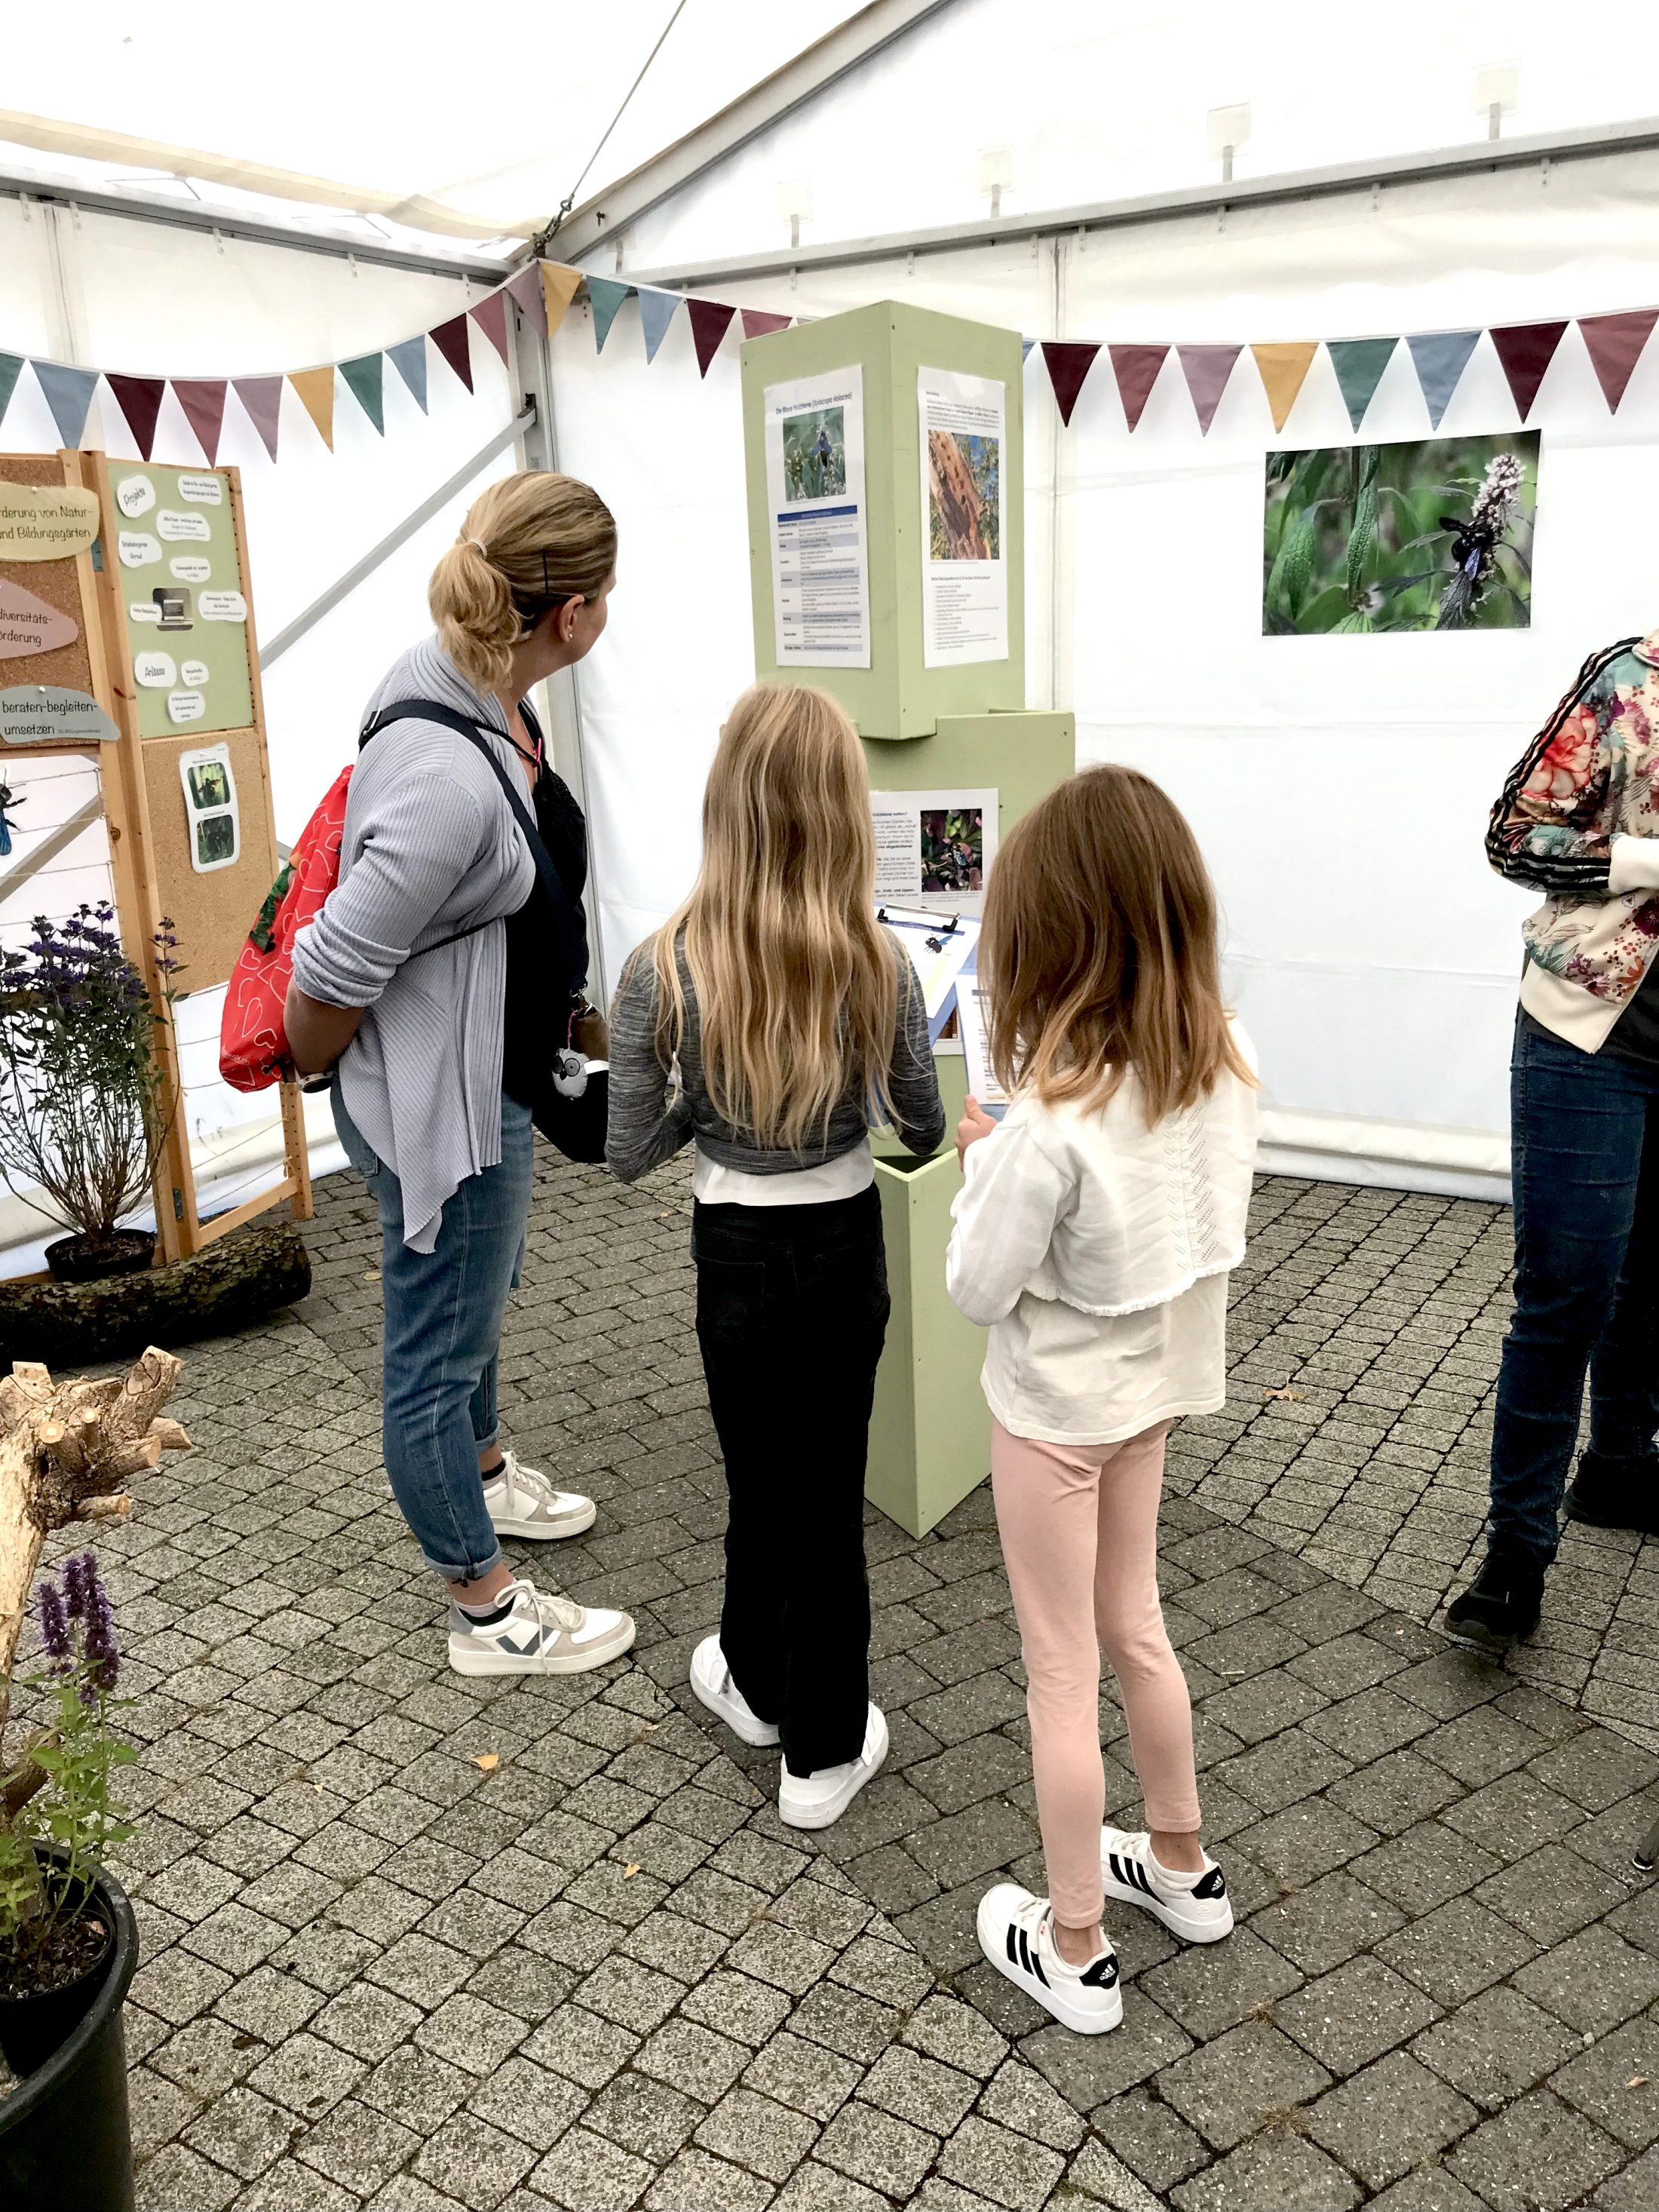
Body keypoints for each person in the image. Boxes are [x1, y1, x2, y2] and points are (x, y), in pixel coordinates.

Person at [286, 472, 635, 1678]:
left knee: (475, 1306)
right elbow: (330, 964)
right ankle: (486, 1606)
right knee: (434, 1349)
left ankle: (487, 1472)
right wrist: (323, 1067)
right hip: (444, 1108)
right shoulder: (446, 770)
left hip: (483, 1083)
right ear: (575, 614)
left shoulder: (467, 679)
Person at [946, 764, 1257, 2035]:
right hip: (1154, 1403)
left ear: (1052, 942)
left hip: (1053, 1418)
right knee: (1138, 1624)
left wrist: (987, 1160)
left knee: (1060, 1665)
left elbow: (977, 1283)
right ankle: (1181, 1863)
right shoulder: (1228, 1063)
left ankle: (1073, 1940)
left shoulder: (1049, 1120)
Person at [606, 684, 945, 1828]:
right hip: (844, 1240)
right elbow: (922, 1125)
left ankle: (757, 1688)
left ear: (728, 805)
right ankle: (821, 1746)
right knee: (826, 1487)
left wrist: (700, 1089)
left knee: (756, 1474)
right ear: (846, 812)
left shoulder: (664, 966)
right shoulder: (880, 960)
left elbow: (627, 1151)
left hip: (734, 1244)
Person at [1447, 631, 1659, 1649]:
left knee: (1647, 1274)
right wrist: (1649, 858)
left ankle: (1619, 1468)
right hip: (1594, 1030)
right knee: (1569, 1286)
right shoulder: (1633, 683)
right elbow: (1512, 836)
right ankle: (1516, 1556)